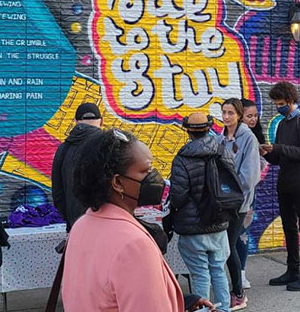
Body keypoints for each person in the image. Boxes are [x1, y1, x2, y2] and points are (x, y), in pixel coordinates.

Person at [62, 129, 215, 311]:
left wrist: (179, 301)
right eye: (146, 170)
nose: (155, 177)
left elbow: (105, 295)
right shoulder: (134, 245)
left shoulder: (81, 226)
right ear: (117, 183)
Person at [170, 112, 235, 312]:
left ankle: (203, 309)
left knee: (200, 274)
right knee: (218, 270)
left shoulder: (182, 158)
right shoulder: (223, 151)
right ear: (209, 129)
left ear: (188, 131)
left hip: (193, 228)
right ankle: (223, 309)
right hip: (218, 222)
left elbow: (178, 197)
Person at [260, 82, 300, 292]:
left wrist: (278, 148)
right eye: (276, 103)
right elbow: (281, 157)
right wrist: (269, 153)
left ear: (291, 100)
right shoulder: (283, 123)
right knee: (289, 228)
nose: (278, 106)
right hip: (285, 182)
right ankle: (293, 269)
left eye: (282, 103)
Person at [220, 98, 261, 310]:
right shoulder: (222, 136)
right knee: (227, 246)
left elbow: (250, 176)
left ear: (238, 114)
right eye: (224, 112)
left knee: (229, 245)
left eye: (230, 113)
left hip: (238, 203)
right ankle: (234, 290)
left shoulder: (248, 138)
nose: (226, 117)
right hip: (223, 202)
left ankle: (238, 294)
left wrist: (230, 190)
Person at [51, 102, 104, 231]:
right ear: (101, 121)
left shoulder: (64, 149)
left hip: (76, 226)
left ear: (75, 121)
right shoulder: (111, 145)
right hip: (106, 226)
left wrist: (70, 217)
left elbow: (57, 193)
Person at [238, 98, 265, 290]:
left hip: (247, 193)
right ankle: (237, 273)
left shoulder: (251, 137)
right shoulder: (235, 136)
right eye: (249, 116)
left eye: (255, 115)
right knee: (237, 234)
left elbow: (255, 171)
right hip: (236, 192)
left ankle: (240, 273)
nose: (253, 119)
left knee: (242, 234)